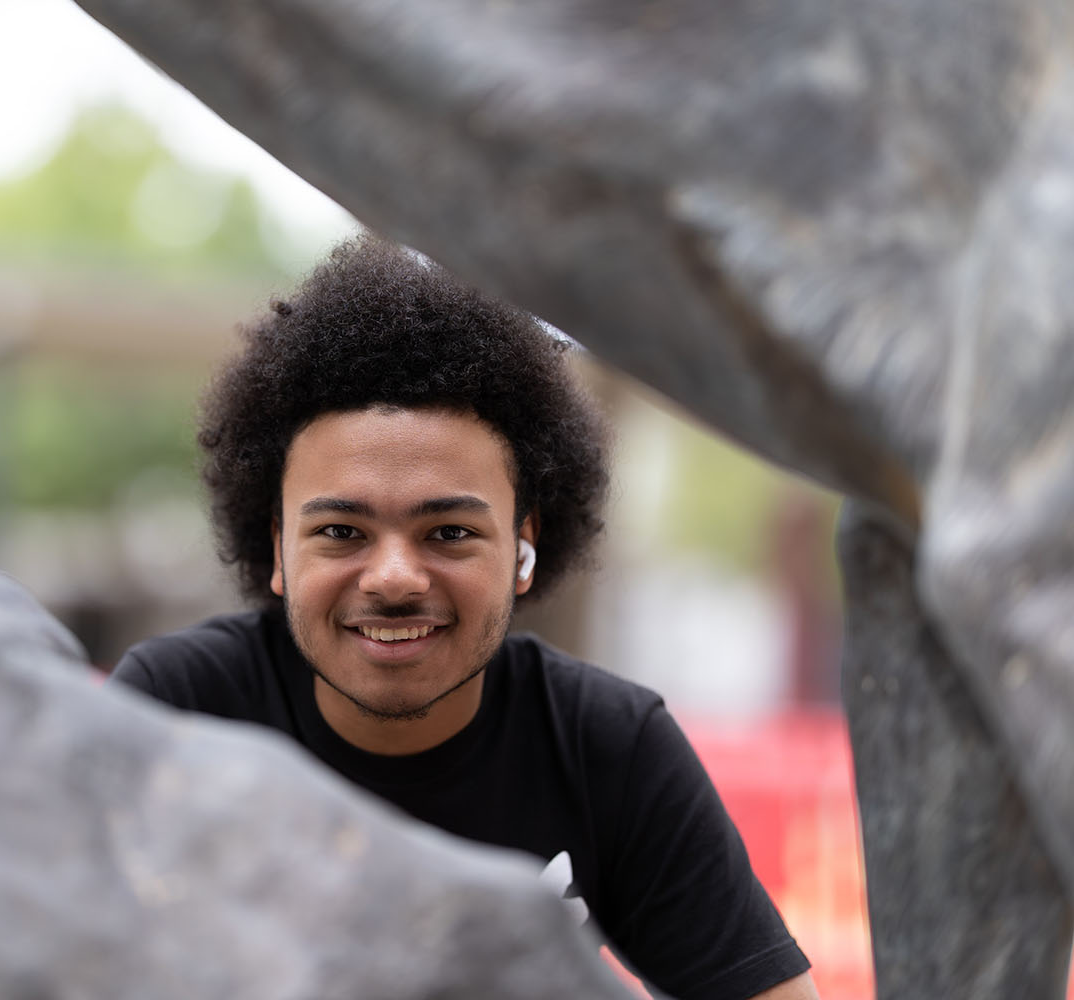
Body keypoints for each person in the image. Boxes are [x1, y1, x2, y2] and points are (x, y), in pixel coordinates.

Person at [110, 236, 819, 1000]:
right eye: (341, 532)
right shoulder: (176, 714)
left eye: (448, 532)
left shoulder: (605, 746)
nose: (392, 579)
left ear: (524, 545)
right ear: (277, 548)